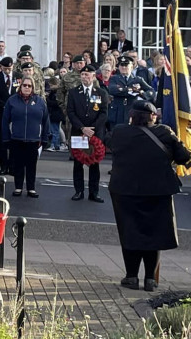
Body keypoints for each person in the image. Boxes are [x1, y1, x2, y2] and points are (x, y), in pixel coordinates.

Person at [109, 100, 191, 292]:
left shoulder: (120, 131)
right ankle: (149, 279)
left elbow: (109, 143)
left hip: (125, 191)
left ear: (132, 115)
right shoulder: (165, 132)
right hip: (157, 191)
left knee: (130, 232)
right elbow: (183, 157)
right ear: (153, 116)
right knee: (154, 235)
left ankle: (131, 276)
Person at [2, 76, 52, 197]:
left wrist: (45, 138)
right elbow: (5, 120)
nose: (27, 88)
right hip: (16, 138)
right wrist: (6, 137)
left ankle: (31, 188)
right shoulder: (12, 100)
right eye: (25, 85)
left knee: (31, 165)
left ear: (33, 88)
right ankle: (18, 187)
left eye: (29, 86)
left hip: (34, 139)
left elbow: (46, 121)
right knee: (18, 164)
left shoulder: (40, 101)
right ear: (21, 86)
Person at [67, 64, 109, 203]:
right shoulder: (73, 92)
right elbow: (71, 113)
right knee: (78, 162)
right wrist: (82, 128)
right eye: (82, 75)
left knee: (94, 163)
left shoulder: (101, 92)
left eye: (87, 75)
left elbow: (103, 113)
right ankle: (79, 191)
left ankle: (94, 192)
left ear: (93, 76)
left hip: (95, 133)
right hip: (79, 132)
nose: (84, 77)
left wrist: (92, 130)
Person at [107, 56, 154, 128]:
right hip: (117, 112)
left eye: (126, 65)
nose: (123, 67)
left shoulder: (137, 79)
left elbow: (151, 92)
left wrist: (141, 93)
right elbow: (112, 90)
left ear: (131, 67)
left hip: (132, 111)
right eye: (121, 65)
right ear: (118, 67)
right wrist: (130, 90)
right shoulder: (114, 78)